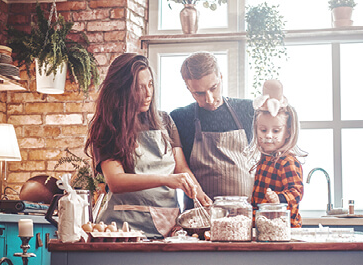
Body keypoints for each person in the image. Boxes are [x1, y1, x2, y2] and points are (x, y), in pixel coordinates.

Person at [84, 53, 210, 239]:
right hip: (122, 228)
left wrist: (200, 195)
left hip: (167, 226)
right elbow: (116, 181)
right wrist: (166, 179)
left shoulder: (165, 121)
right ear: (122, 89)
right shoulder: (107, 127)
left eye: (150, 84)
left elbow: (181, 167)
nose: (148, 93)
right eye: (139, 87)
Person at [170, 52, 255, 209]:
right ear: (188, 88)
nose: (209, 99)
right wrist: (198, 194)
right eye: (199, 93)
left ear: (221, 77)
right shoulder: (179, 118)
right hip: (200, 215)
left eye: (213, 88)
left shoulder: (248, 109)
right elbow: (179, 167)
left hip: (246, 215)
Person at [249, 79, 307, 228]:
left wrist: (279, 199)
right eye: (263, 130)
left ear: (288, 132)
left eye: (276, 131)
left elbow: (296, 192)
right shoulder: (265, 159)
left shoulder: (287, 161)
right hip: (265, 227)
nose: (268, 135)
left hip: (285, 229)